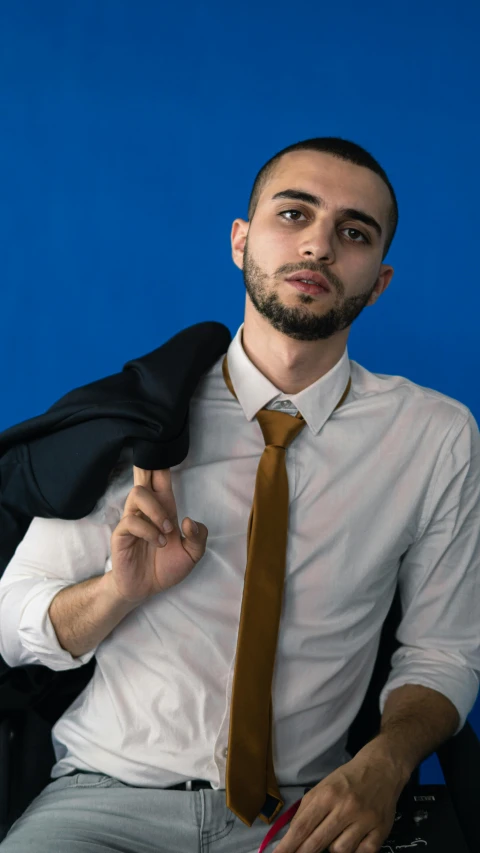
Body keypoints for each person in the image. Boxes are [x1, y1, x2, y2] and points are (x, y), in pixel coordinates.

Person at [0, 136, 479, 853]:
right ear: (241, 241)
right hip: (102, 799)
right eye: (294, 214)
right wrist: (116, 592)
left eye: (352, 232)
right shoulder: (142, 418)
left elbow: (443, 651)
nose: (317, 246)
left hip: (304, 814)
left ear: (378, 280)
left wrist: (384, 763)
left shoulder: (434, 437)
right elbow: (10, 622)